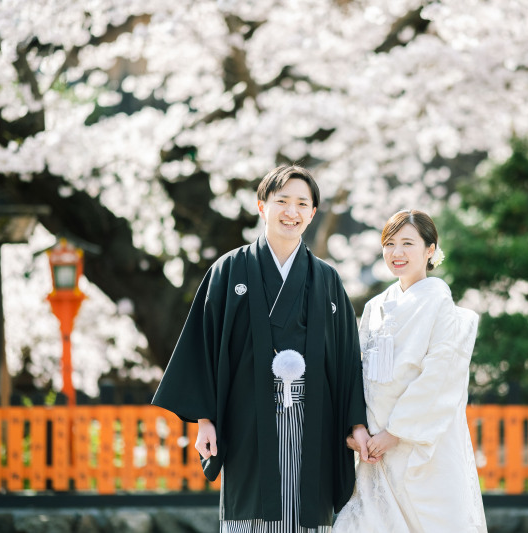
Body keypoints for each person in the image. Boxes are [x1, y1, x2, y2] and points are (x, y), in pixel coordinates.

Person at [152, 165, 371, 532]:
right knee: (251, 513)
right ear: (261, 205)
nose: (292, 212)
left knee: (306, 513)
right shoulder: (230, 271)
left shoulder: (327, 280)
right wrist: (205, 419)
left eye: (303, 204)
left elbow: (348, 360)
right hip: (247, 416)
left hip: (313, 418)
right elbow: (203, 344)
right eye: (282, 201)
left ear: (313, 213)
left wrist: (356, 423)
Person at [333, 209, 487, 533]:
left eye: (407, 243)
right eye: (389, 244)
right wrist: (358, 427)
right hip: (375, 449)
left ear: (430, 250)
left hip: (419, 444)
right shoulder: (375, 306)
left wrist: (396, 432)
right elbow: (356, 371)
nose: (397, 253)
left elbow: (441, 376)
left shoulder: (440, 302)